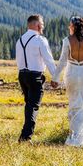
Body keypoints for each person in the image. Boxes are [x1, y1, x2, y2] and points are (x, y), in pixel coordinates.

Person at [51, 16, 83, 147]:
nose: (68, 27)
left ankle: (74, 135)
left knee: (73, 103)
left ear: (73, 26)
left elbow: (62, 62)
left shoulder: (67, 40)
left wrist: (55, 78)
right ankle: (81, 136)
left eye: (69, 25)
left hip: (71, 73)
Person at [16, 14, 56, 142]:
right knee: (33, 107)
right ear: (37, 25)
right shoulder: (40, 40)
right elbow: (49, 60)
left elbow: (19, 61)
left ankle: (25, 135)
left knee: (29, 106)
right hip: (35, 77)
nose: (43, 26)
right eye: (42, 23)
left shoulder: (20, 40)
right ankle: (25, 138)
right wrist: (55, 77)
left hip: (22, 76)